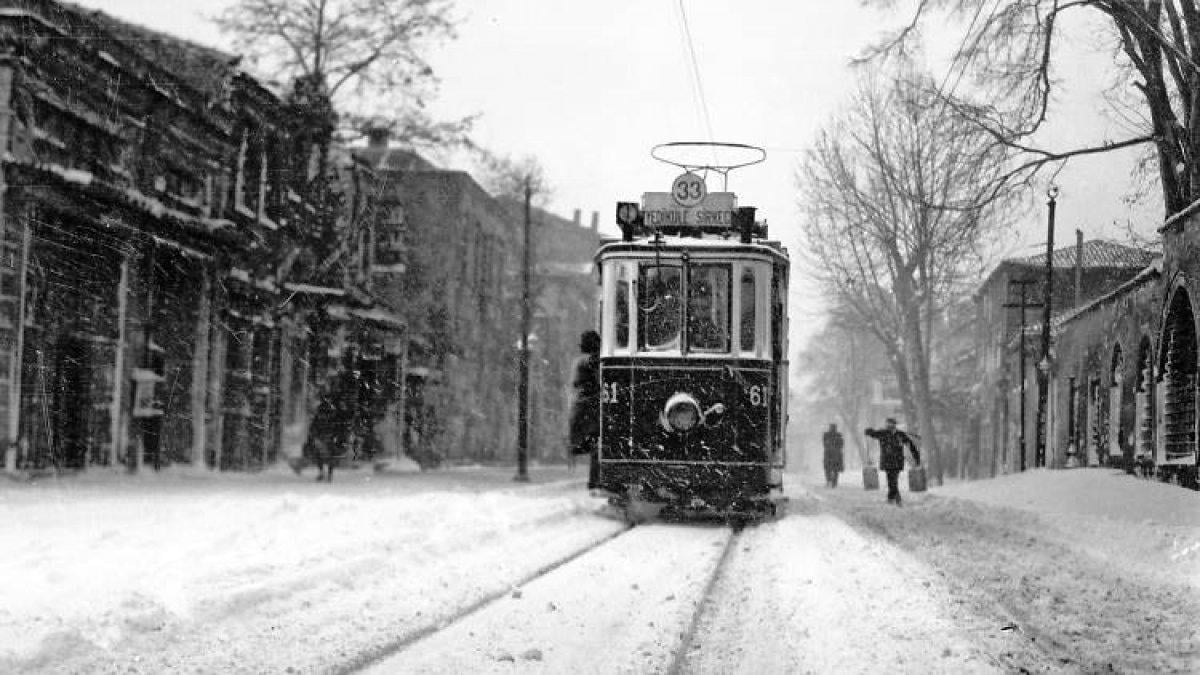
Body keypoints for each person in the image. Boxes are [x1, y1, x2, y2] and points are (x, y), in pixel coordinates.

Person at [568, 329, 602, 489]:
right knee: (599, 442)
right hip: (590, 408)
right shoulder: (589, 361)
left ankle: (595, 480)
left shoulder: (579, 361)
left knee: (596, 443)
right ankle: (595, 481)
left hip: (582, 408)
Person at [865, 417, 921, 505]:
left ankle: (894, 497)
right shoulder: (883, 433)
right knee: (891, 479)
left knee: (893, 479)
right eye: (888, 424)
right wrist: (869, 431)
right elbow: (873, 434)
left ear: (894, 425)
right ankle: (893, 497)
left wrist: (916, 457)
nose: (889, 425)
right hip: (888, 461)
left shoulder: (900, 435)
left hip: (897, 460)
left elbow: (910, 445)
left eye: (891, 424)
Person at [822, 423, 844, 487]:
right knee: (834, 469)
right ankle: (833, 482)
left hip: (829, 454)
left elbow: (824, 443)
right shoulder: (838, 435)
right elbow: (841, 444)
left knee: (829, 468)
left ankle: (830, 481)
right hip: (834, 454)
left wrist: (829, 446)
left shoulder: (826, 435)